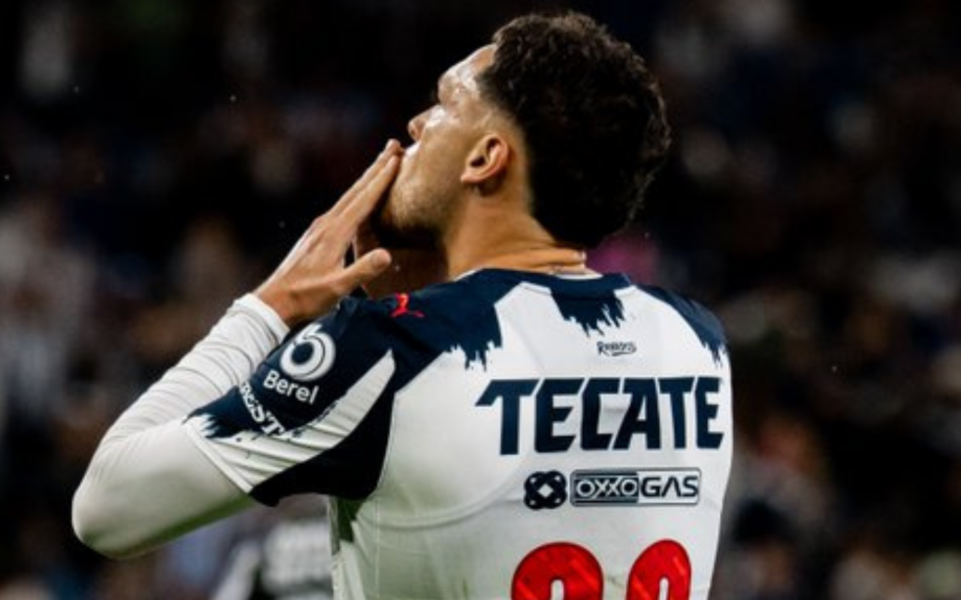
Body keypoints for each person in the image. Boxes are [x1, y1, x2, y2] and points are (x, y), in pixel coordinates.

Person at [73, 11, 733, 600]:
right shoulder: (697, 344)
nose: (416, 125)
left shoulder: (389, 354)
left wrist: (270, 307)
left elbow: (107, 507)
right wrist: (417, 303)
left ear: (484, 158)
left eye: (445, 103)